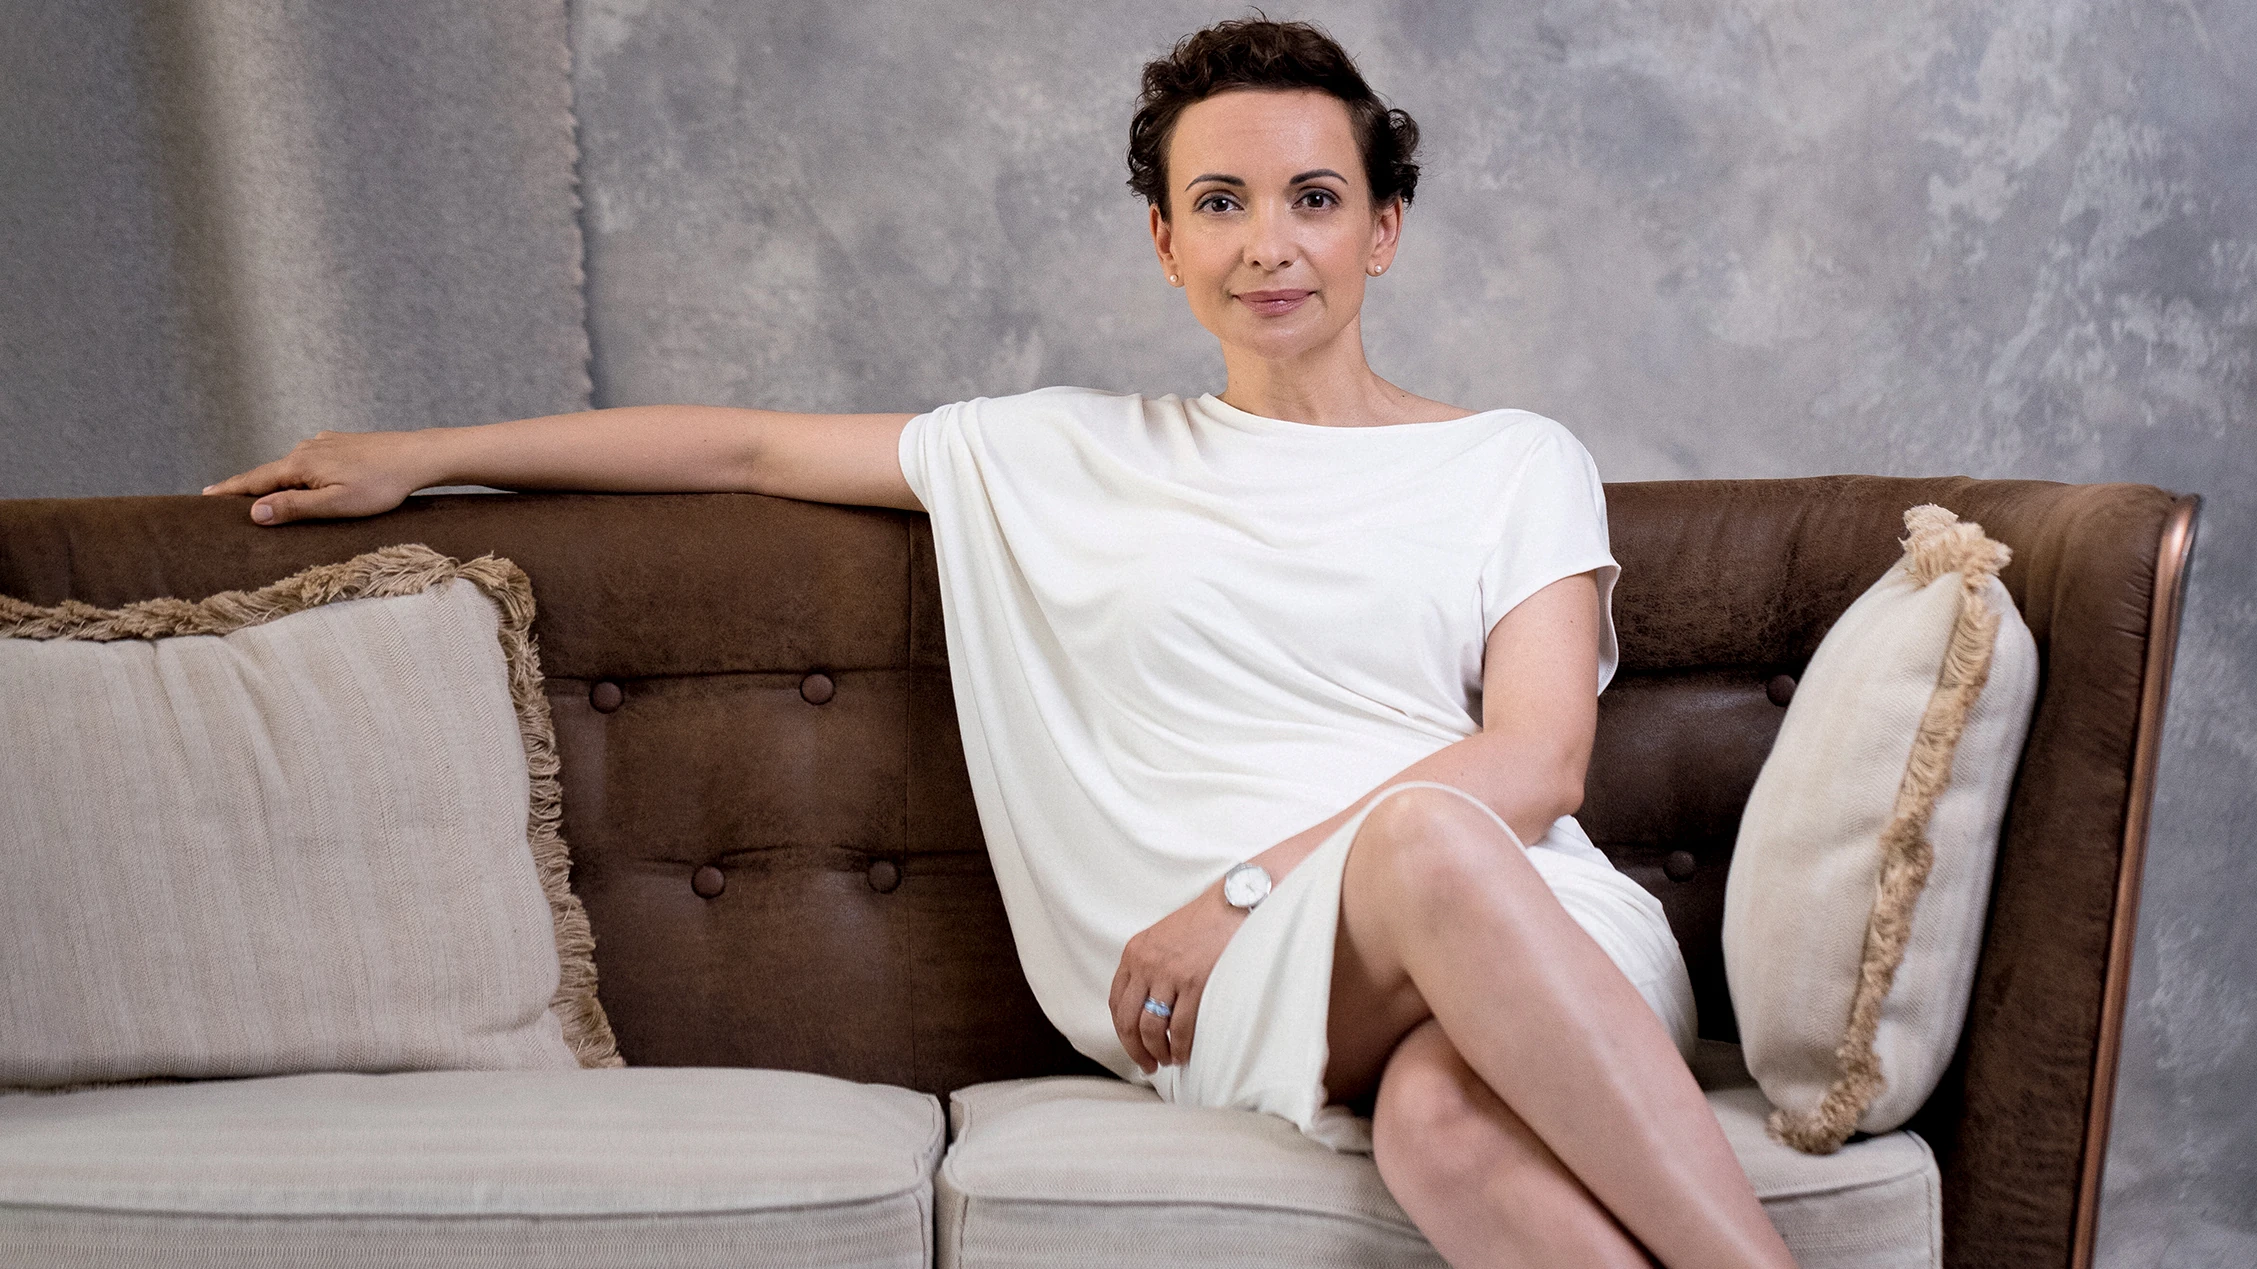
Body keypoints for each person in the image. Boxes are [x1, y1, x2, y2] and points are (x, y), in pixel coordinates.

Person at [206, 18, 1795, 1268]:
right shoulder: (1060, 452)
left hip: (1529, 932)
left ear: (1382, 230)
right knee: (1434, 1112)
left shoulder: (1511, 459)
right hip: (1267, 988)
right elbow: (746, 448)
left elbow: (1536, 761)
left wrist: (1238, 894)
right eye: (1221, 203)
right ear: (1165, 243)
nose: (1270, 243)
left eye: (1315, 199)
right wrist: (426, 453)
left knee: (1442, 1063)